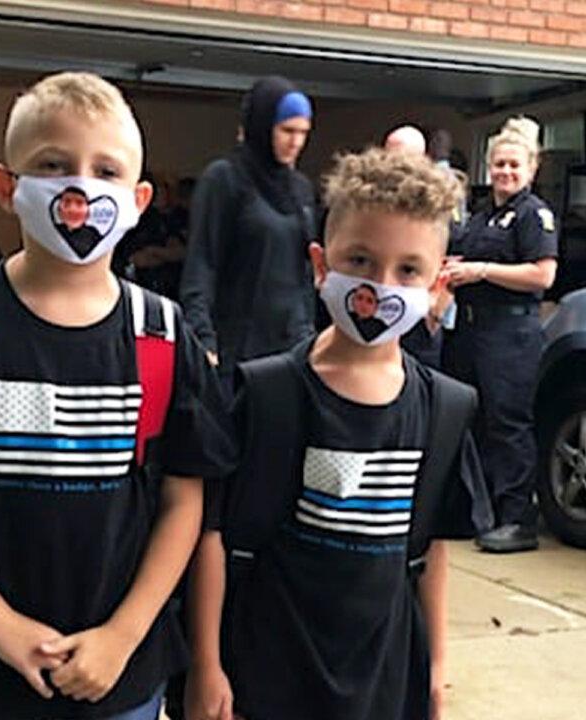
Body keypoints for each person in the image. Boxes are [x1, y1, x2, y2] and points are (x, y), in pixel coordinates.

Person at [0, 71, 234, 720]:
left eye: (105, 170)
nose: (80, 187)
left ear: (140, 200)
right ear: (7, 187)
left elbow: (183, 499)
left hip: (121, 677)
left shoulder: (164, 337)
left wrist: (124, 635)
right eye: (53, 165)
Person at [186, 148, 483, 720]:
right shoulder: (266, 395)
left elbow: (429, 550)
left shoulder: (444, 410)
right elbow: (214, 534)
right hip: (269, 669)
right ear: (321, 265)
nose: (381, 285)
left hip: (384, 674)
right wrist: (206, 663)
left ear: (438, 285)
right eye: (361, 260)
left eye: (408, 270)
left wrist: (437, 667)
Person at [443, 116, 558, 554]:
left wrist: (482, 271)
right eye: (499, 165)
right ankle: (480, 510)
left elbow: (542, 274)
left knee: (508, 424)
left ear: (531, 169)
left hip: (511, 332)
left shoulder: (533, 214)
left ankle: (516, 519)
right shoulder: (481, 212)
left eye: (514, 165)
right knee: (470, 420)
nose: (505, 172)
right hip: (471, 328)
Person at [180, 76, 317, 380]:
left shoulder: (300, 190)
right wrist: (202, 336)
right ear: (263, 125)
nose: (296, 142)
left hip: (292, 346)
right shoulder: (226, 179)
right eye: (287, 130)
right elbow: (203, 260)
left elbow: (305, 274)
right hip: (238, 346)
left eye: (303, 133)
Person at [382, 124, 453, 371]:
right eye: (392, 156)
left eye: (407, 158)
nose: (399, 165)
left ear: (423, 161)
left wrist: (435, 312)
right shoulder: (368, 203)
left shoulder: (440, 203)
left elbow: (454, 257)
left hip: (419, 317)